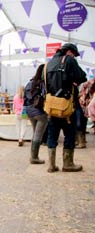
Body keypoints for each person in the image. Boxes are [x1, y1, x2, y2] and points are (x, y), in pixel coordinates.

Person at [45, 43, 87, 172]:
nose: (75, 57)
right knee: (69, 134)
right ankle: (68, 164)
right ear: (69, 52)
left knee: (52, 135)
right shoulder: (69, 60)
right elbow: (82, 76)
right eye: (74, 54)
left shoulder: (49, 64)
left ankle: (51, 165)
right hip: (67, 106)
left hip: (52, 106)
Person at [24, 64, 48, 164]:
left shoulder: (29, 83)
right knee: (38, 135)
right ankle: (34, 157)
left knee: (35, 133)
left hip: (30, 112)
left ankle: (33, 156)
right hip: (40, 112)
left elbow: (25, 99)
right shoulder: (43, 83)